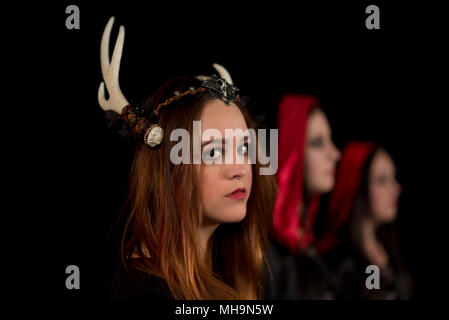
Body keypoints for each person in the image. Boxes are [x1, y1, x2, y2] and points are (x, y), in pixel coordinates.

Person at [97, 17, 276, 300]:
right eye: (214, 152)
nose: (240, 168)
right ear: (168, 168)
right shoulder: (143, 292)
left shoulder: (229, 273)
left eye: (243, 147)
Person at [264, 94, 340, 299]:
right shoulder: (270, 258)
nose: (335, 154)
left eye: (329, 140)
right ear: (289, 152)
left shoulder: (308, 241)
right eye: (318, 143)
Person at [315, 141, 413, 299]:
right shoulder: (337, 261)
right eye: (382, 180)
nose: (395, 188)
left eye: (393, 178)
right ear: (357, 186)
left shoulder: (389, 247)